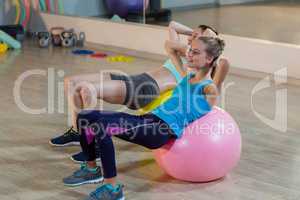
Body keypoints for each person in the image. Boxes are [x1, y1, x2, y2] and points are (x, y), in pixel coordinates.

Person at [62, 36, 225, 200]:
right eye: (190, 50)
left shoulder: (209, 89)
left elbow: (222, 68)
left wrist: (216, 61)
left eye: (195, 52)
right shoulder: (186, 78)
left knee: (102, 127)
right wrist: (193, 52)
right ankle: (91, 170)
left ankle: (112, 189)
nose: (189, 55)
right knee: (85, 116)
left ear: (209, 58)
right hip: (148, 119)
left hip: (161, 130)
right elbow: (171, 49)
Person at [50, 21, 229, 162]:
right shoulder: (187, 63)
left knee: (87, 91)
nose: (194, 40)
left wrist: (201, 44)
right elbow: (172, 30)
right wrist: (195, 37)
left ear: (208, 56)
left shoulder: (192, 71)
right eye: (195, 34)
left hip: (144, 88)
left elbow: (221, 65)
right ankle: (77, 131)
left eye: (202, 38)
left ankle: (93, 148)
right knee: (72, 82)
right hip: (136, 78)